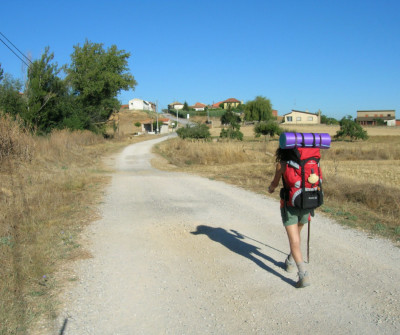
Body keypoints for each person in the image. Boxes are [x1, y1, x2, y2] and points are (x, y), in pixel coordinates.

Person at [268, 147, 311, 288]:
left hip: (289, 205)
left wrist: (271, 188)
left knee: (294, 241)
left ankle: (303, 275)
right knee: (297, 236)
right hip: (307, 204)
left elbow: (274, 183)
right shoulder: (308, 163)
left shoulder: (282, 164)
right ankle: (290, 262)